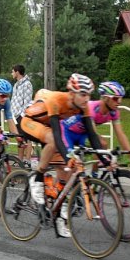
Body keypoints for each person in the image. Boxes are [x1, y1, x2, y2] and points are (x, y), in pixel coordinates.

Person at [18, 73, 105, 238]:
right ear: (72, 93)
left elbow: (93, 135)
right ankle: (37, 177)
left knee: (67, 174)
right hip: (30, 122)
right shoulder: (56, 100)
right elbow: (58, 135)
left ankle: (59, 217)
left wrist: (104, 159)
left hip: (49, 128)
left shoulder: (83, 106)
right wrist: (69, 157)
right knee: (53, 140)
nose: (87, 99)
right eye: (83, 94)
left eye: (89, 95)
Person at [61, 81, 130, 168]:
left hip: (83, 134)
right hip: (67, 132)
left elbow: (121, 134)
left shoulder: (114, 112)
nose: (119, 102)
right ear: (105, 98)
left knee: (100, 147)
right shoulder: (92, 108)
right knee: (72, 166)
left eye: (121, 98)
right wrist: (106, 158)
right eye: (115, 98)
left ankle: (95, 177)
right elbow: (93, 134)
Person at [11, 64, 34, 165]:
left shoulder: (27, 84)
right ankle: (19, 160)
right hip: (15, 115)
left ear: (17, 72)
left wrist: (22, 114)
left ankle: (27, 160)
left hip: (22, 115)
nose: (12, 73)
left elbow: (28, 101)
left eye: (12, 71)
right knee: (19, 138)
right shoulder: (16, 84)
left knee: (27, 138)